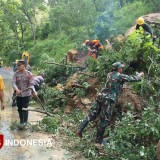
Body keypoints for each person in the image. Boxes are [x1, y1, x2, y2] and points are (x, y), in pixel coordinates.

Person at [76, 62, 144, 147]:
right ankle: (98, 142)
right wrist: (140, 75)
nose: (122, 69)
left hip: (101, 96)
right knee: (104, 121)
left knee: (91, 114)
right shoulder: (120, 75)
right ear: (118, 69)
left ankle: (79, 130)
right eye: (121, 68)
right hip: (108, 100)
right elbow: (133, 79)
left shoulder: (109, 74)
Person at [12, 60, 37, 128]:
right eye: (17, 65)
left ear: (24, 66)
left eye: (19, 65)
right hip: (18, 94)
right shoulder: (16, 74)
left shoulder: (29, 74)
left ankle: (25, 122)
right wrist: (16, 89)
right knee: (19, 108)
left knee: (25, 108)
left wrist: (34, 91)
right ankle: (21, 121)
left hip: (26, 94)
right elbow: (13, 83)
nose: (17, 67)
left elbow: (31, 84)